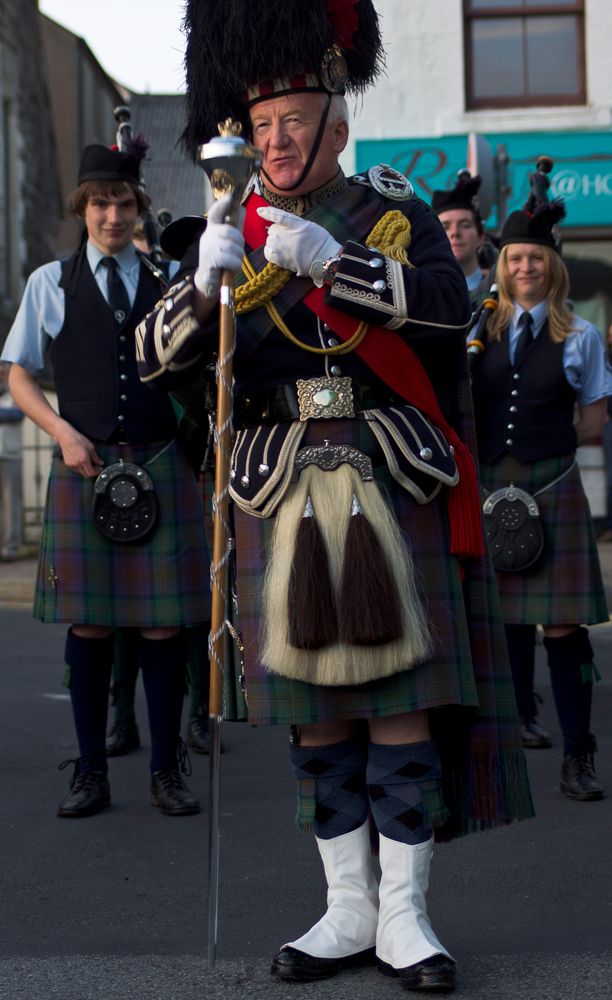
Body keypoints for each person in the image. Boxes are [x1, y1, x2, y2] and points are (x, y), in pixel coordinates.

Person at [136, 1, 533, 991]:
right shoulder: (226, 227)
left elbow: (449, 315)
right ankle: (346, 907)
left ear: (335, 123)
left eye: (294, 121)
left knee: (396, 704)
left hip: (387, 466)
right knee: (318, 714)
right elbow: (150, 361)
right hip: (278, 482)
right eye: (261, 125)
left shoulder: (386, 205)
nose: (275, 139)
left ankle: (405, 915)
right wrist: (199, 291)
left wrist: (336, 265)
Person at [1, 143, 210, 817]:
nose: (112, 215)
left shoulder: (166, 277)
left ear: (138, 207)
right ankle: (90, 771)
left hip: (161, 460)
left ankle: (165, 767)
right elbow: (18, 374)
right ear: (81, 209)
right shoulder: (48, 284)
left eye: (123, 203)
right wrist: (61, 432)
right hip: (85, 469)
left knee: (162, 629)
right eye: (99, 204)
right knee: (89, 626)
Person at [470, 199, 610, 800]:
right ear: (502, 266)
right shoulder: (479, 328)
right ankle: (508, 744)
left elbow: (595, 419)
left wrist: (546, 449)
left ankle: (579, 754)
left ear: (552, 266)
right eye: (516, 258)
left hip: (553, 487)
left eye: (535, 258)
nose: (526, 267)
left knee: (563, 626)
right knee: (503, 626)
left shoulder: (581, 336)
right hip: (489, 491)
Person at [432, 173, 492, 308]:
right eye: (445, 227)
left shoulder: (500, 290)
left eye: (465, 225)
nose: (455, 233)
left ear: (481, 236)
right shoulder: (425, 293)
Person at [0, 361, 24, 561]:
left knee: (11, 502)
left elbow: (17, 414)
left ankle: (11, 546)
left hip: (10, 454)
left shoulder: (15, 393)